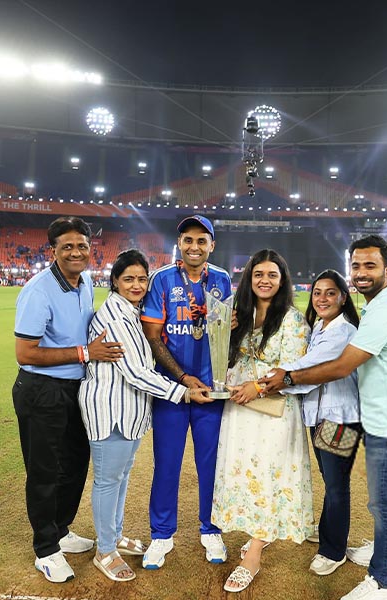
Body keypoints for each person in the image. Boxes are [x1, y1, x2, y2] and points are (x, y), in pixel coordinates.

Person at [259, 235, 387, 600]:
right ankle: (382, 552)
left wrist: (282, 378)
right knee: (345, 486)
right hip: (365, 417)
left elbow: (336, 368)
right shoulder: (352, 316)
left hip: (378, 420)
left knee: (373, 497)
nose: (362, 272)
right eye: (357, 265)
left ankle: (378, 580)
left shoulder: (371, 317)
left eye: (370, 265)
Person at [78, 249, 212, 582]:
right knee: (108, 481)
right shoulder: (112, 317)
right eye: (128, 279)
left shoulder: (130, 312)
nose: (136, 285)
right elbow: (136, 372)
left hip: (129, 410)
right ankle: (105, 551)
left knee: (120, 477)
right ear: (115, 281)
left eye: (141, 279)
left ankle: (115, 536)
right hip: (111, 410)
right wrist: (183, 390)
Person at [12, 216, 125, 583]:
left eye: (82, 246)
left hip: (78, 389)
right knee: (44, 472)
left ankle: (60, 529)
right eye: (67, 247)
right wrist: (84, 353)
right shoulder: (38, 290)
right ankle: (46, 549)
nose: (76, 252)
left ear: (90, 249)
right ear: (54, 250)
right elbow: (25, 353)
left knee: (75, 465)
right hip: (41, 389)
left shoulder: (86, 281)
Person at [211, 249, 312, 593]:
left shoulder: (292, 320)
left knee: (268, 476)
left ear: (282, 280)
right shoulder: (241, 314)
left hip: (272, 412)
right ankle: (258, 533)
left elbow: (292, 370)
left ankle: (253, 555)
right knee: (243, 472)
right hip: (239, 409)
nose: (264, 281)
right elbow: (219, 357)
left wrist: (256, 387)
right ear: (249, 279)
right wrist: (225, 332)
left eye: (272, 274)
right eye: (258, 275)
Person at [140, 215, 232, 568]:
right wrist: (181, 378)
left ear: (212, 245)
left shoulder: (222, 279)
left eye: (201, 240)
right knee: (167, 464)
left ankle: (211, 529)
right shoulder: (161, 279)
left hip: (211, 392)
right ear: (179, 243)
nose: (194, 246)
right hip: (172, 393)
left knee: (211, 464)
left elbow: (225, 329)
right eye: (188, 240)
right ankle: (161, 536)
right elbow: (152, 337)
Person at [279, 269, 361, 577]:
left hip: (339, 418)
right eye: (317, 293)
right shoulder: (319, 327)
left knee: (337, 485)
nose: (322, 298)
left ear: (343, 297)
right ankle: (328, 530)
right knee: (331, 480)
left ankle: (333, 550)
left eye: (330, 293)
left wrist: (269, 381)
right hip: (320, 416)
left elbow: (308, 369)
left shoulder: (343, 331)